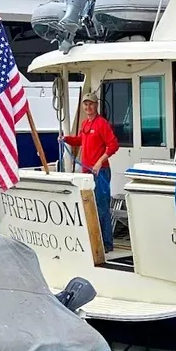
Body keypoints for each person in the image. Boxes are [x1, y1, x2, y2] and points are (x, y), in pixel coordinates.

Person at [61, 92, 119, 253]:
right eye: (85, 104)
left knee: (102, 208)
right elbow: (80, 140)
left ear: (96, 105)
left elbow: (113, 145)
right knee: (89, 207)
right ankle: (95, 240)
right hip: (86, 173)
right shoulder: (86, 123)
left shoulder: (102, 124)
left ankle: (107, 244)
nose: (88, 107)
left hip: (100, 173)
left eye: (91, 104)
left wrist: (100, 161)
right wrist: (66, 139)